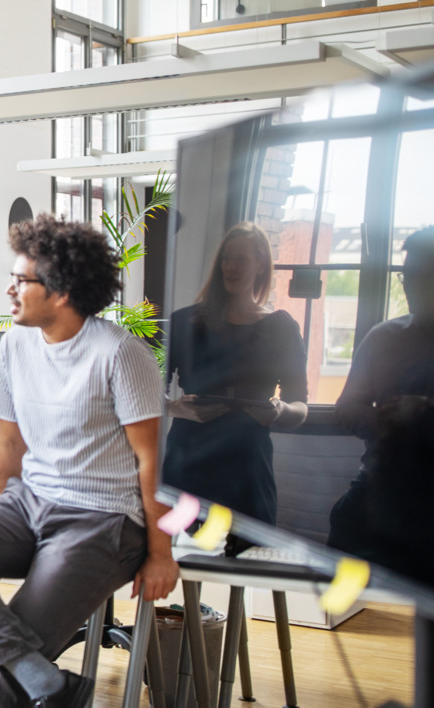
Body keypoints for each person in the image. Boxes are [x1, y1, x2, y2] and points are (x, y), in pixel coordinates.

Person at [0, 215, 178, 708]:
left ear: (61, 292)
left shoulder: (121, 353)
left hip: (104, 518)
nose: (9, 291)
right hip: (30, 502)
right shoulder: (16, 344)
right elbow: (9, 440)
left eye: (21, 281)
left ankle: (36, 676)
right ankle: (48, 681)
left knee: (8, 653)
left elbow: (154, 462)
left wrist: (160, 552)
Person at [163, 222, 309, 530]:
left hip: (247, 457)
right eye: (226, 259)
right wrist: (174, 407)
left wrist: (280, 410)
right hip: (190, 452)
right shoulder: (185, 322)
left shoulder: (281, 327)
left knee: (247, 551)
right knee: (187, 550)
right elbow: (144, 389)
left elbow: (300, 405)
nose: (231, 267)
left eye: (241, 259)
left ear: (260, 265)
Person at [330, 227, 434, 575]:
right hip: (379, 482)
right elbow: (346, 407)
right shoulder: (383, 338)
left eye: (421, 275)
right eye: (407, 275)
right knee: (344, 528)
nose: (409, 285)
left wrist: (422, 413)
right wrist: (380, 419)